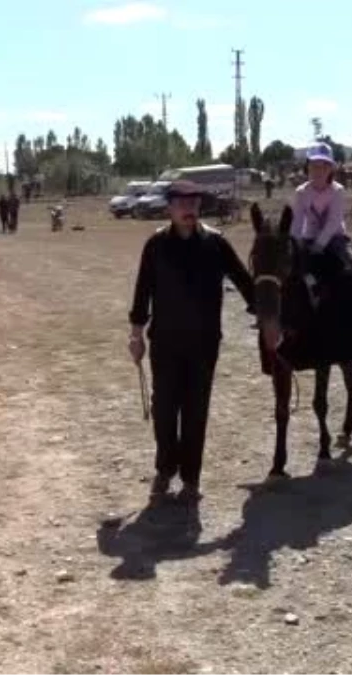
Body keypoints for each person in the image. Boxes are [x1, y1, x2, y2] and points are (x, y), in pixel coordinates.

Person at [127, 180, 254, 503]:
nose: (189, 209)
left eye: (194, 202)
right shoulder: (155, 246)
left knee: (196, 411)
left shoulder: (216, 243)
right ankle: (165, 470)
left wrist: (270, 311)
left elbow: (245, 283)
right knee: (165, 409)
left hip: (204, 344)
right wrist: (136, 334)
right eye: (182, 203)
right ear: (169, 208)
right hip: (165, 344)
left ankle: (191, 479)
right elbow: (142, 292)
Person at [290, 141, 352, 338]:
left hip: (335, 238)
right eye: (314, 165)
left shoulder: (337, 191)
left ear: (330, 169)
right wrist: (295, 243)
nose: (318, 170)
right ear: (307, 167)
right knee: (288, 269)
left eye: (323, 166)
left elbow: (334, 221)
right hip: (309, 238)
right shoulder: (301, 192)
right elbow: (297, 222)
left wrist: (320, 244)